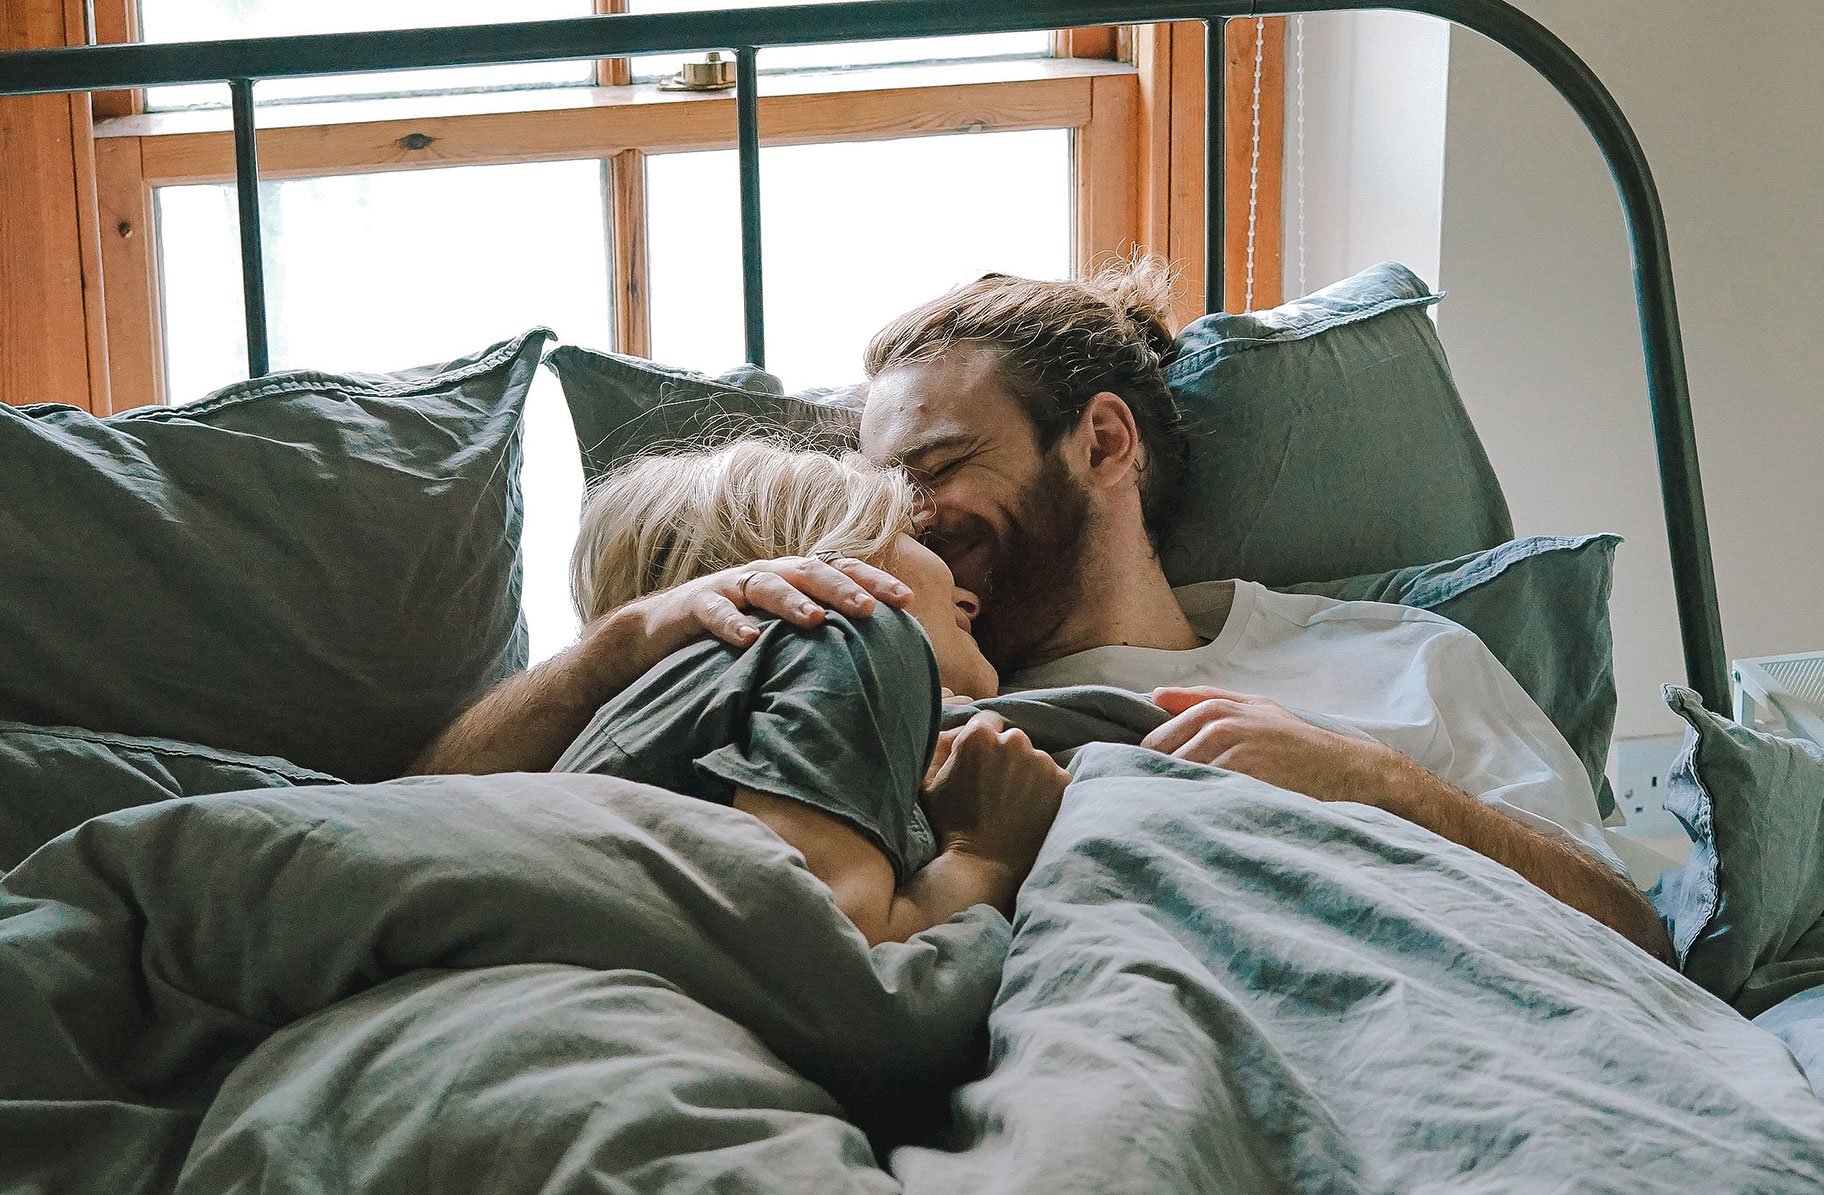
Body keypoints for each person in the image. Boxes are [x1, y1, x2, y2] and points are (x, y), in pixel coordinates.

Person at [854, 255, 1674, 962]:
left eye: (937, 467)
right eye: (883, 496)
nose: (906, 520)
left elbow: (1637, 937)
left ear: (1104, 442)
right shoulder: (901, 692)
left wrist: (1372, 781)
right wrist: (722, 602)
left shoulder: (1403, 659)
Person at [414, 440, 1067, 947]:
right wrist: (986, 858)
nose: (967, 589)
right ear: (822, 556)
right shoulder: (838, 641)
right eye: (916, 540)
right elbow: (847, 970)